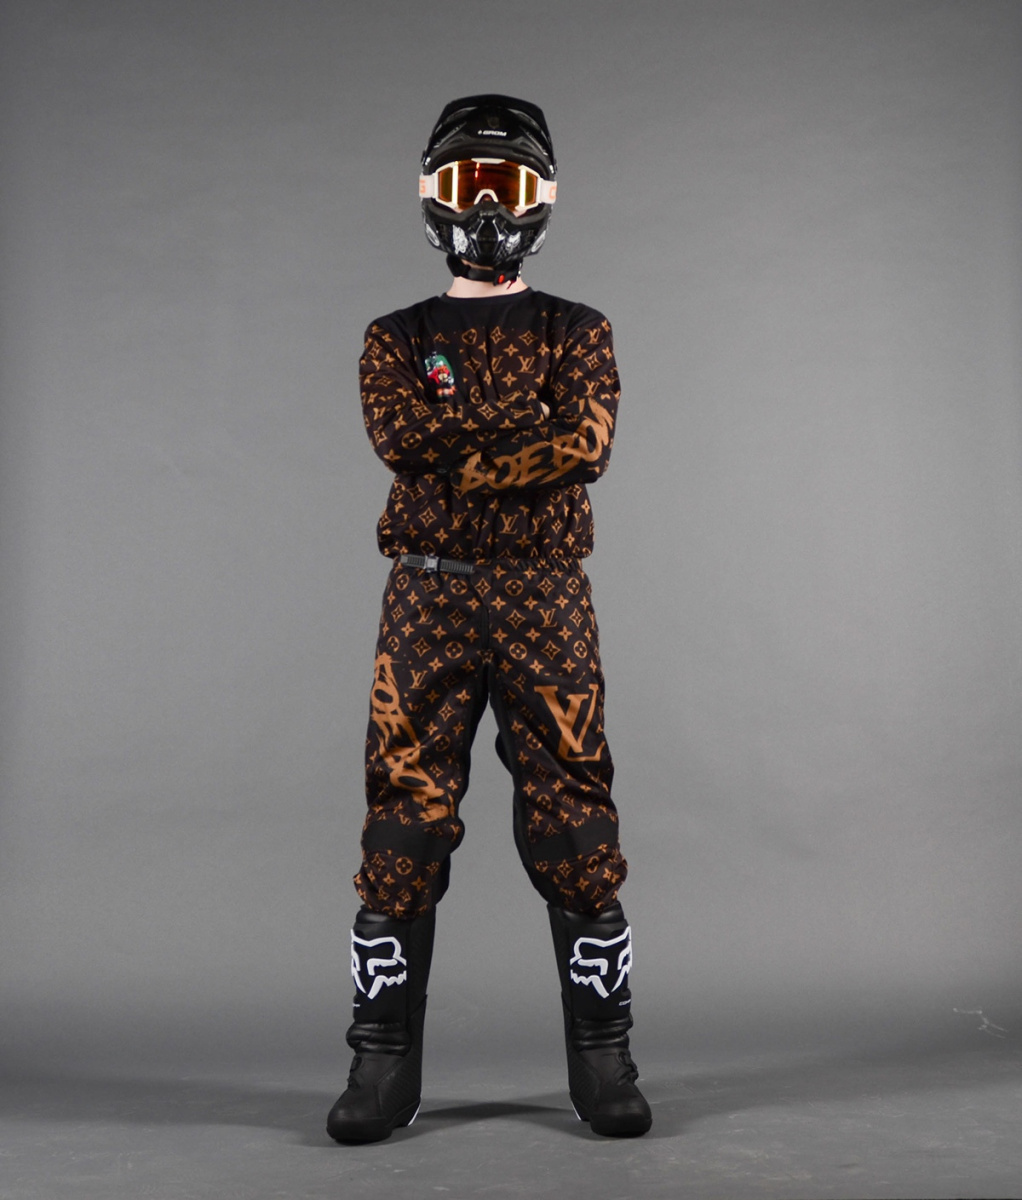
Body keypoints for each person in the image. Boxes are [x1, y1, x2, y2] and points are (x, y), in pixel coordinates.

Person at [326, 94, 652, 1143]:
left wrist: (457, 445)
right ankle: (381, 1064)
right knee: (402, 816)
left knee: (575, 814)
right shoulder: (394, 336)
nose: (485, 211)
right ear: (432, 198)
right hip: (428, 595)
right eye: (466, 186)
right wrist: (521, 435)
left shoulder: (578, 327)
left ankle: (603, 1056)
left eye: (505, 189)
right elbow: (398, 438)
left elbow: (585, 445)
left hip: (545, 595)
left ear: (539, 201)